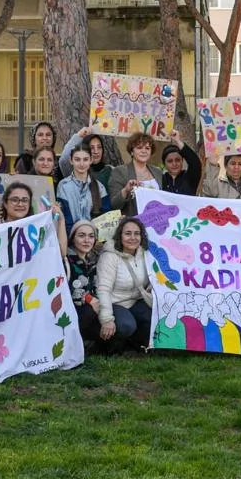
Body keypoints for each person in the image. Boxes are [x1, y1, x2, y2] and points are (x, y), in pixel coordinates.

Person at [96, 216, 154, 352]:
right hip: (115, 303)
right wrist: (106, 319)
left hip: (136, 300)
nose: (132, 238)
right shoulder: (109, 257)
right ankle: (107, 346)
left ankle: (135, 343)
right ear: (119, 236)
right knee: (126, 325)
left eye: (137, 233)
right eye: (128, 233)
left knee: (154, 318)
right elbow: (103, 289)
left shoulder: (145, 253)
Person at [64, 220, 106, 354]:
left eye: (91, 236)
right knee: (88, 311)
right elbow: (64, 290)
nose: (87, 240)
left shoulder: (95, 258)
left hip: (94, 308)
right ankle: (69, 347)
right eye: (81, 236)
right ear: (73, 238)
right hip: (72, 311)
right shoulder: (65, 260)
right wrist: (88, 298)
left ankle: (86, 345)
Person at [55, 143, 108, 226]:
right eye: (77, 159)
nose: (82, 164)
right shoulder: (63, 186)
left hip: (93, 236)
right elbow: (64, 217)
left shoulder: (99, 186)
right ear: (71, 160)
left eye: (85, 159)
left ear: (91, 160)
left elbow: (106, 216)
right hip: (71, 235)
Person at [109, 132, 163, 213]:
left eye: (147, 148)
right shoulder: (120, 171)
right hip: (133, 222)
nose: (144, 151)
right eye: (139, 148)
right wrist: (126, 190)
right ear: (131, 151)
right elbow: (114, 205)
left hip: (156, 219)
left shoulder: (158, 171)